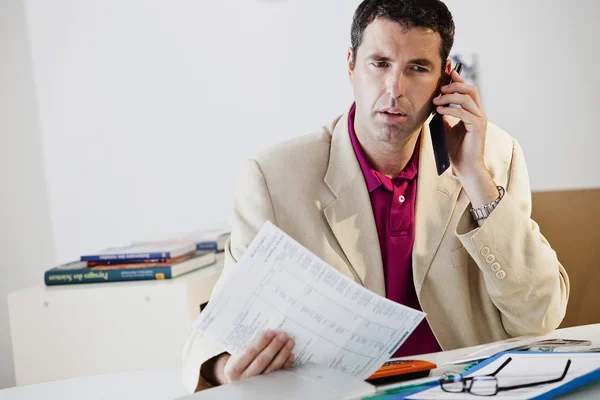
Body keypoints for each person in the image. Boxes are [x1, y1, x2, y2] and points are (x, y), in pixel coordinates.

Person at [182, 0, 569, 393]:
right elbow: (215, 332)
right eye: (380, 63)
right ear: (351, 64)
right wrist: (226, 369)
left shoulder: (494, 158)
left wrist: (476, 178)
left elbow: (539, 317)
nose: (394, 89)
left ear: (444, 80)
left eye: (417, 68)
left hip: (467, 389)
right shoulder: (273, 178)